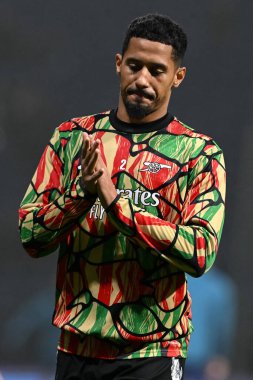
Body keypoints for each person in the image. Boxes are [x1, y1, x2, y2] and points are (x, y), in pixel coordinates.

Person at [19, 14, 226, 380]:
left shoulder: (199, 154)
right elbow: (30, 237)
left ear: (178, 77)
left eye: (157, 70)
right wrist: (80, 197)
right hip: (75, 349)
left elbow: (200, 252)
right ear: (119, 65)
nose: (142, 79)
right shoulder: (71, 138)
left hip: (153, 352)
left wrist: (115, 202)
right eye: (134, 65)